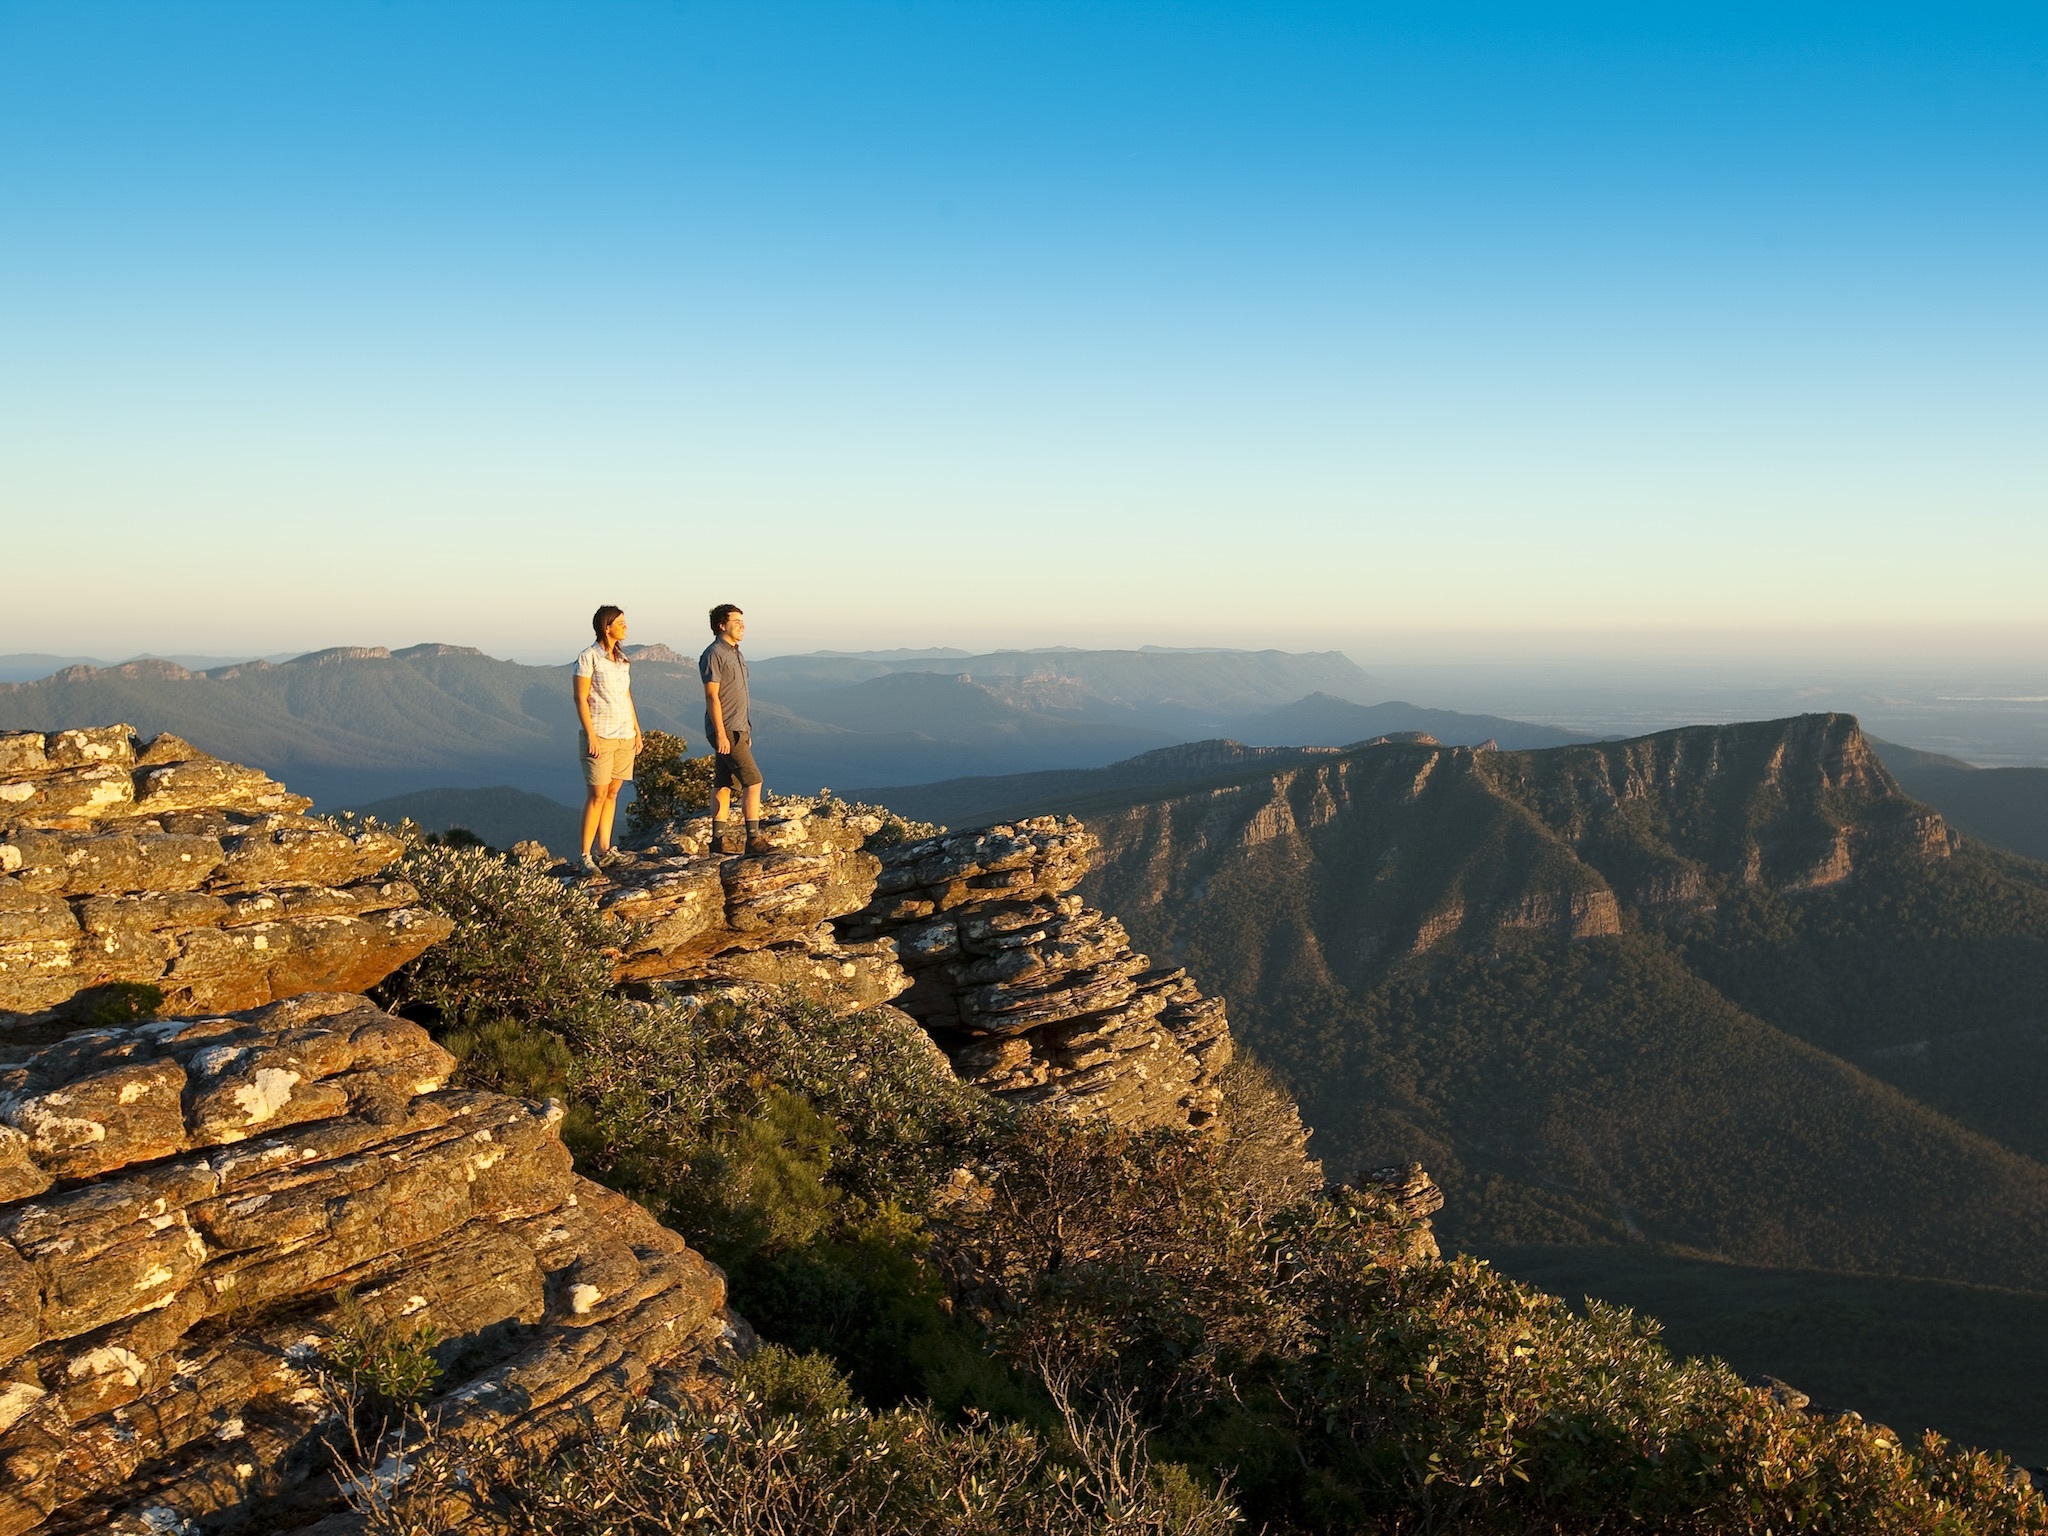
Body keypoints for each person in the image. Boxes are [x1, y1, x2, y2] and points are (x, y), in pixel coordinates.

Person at [573, 605, 643, 874]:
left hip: (624, 734)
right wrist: (590, 735)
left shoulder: (622, 659)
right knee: (596, 795)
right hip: (600, 735)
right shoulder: (588, 657)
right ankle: (585, 855)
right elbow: (580, 698)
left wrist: (636, 730)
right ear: (607, 627)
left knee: (612, 793)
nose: (626, 627)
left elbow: (626, 696)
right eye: (621, 623)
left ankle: (605, 850)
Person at [700, 602, 768, 855]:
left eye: (742, 621)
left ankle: (717, 842)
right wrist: (721, 733)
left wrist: (745, 730)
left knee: (724, 783)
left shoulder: (736, 654)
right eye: (736, 622)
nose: (742, 626)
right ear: (721, 625)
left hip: (737, 729)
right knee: (754, 781)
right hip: (726, 729)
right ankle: (753, 840)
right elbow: (712, 696)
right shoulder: (714, 654)